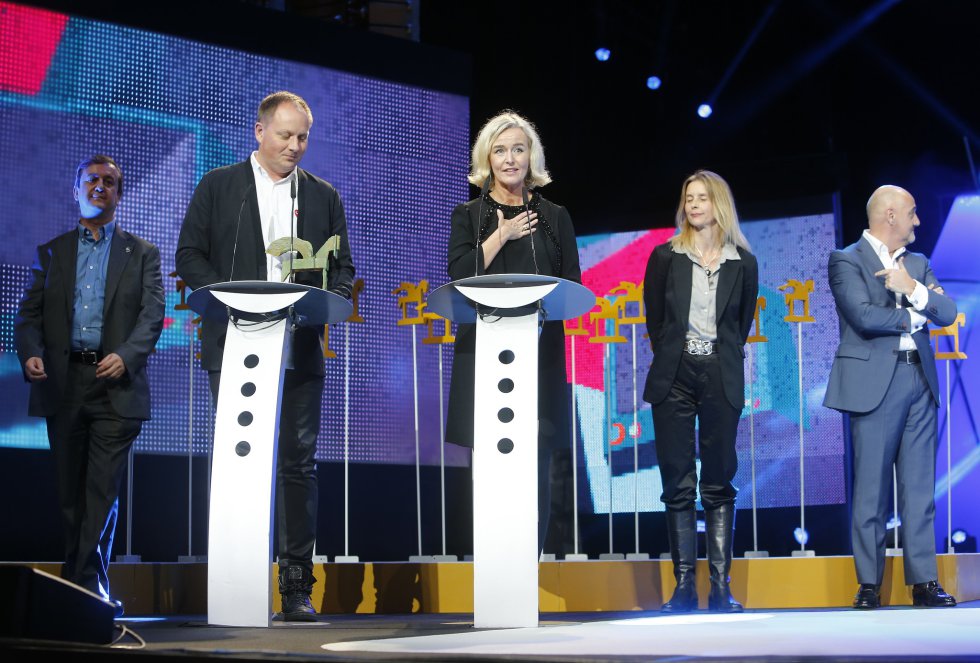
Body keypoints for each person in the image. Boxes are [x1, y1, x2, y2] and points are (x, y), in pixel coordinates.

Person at [175, 91, 355, 621]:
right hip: (235, 345)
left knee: (297, 464)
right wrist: (231, 300)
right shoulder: (219, 186)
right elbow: (189, 255)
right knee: (242, 460)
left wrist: (325, 301)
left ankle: (296, 587)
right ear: (259, 132)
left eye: (302, 137)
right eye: (285, 135)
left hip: (298, 345)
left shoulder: (322, 196)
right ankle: (238, 581)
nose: (294, 146)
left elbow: (343, 270)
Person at [14, 155, 165, 617]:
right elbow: (28, 316)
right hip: (63, 384)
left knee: (101, 491)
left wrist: (127, 355)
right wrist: (31, 352)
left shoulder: (142, 253)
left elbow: (152, 316)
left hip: (115, 384)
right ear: (75, 189)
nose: (100, 186)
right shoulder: (52, 252)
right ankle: (85, 587)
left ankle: (80, 590)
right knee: (70, 495)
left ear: (119, 192)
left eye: (110, 181)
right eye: (92, 180)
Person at [445, 110, 582, 551]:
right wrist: (501, 235)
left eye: (518, 150)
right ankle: (493, 562)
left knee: (535, 463)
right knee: (489, 462)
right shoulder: (469, 215)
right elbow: (459, 275)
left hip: (538, 356)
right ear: (487, 158)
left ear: (531, 157)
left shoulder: (555, 216)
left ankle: (528, 562)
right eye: (500, 150)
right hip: (484, 355)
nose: (509, 159)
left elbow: (572, 285)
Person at [823, 184, 957, 610]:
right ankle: (869, 584)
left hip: (919, 380)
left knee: (919, 489)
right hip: (875, 384)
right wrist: (918, 314)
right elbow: (862, 315)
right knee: (871, 489)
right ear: (891, 215)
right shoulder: (846, 259)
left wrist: (912, 288)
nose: (918, 221)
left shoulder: (917, 263)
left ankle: (924, 582)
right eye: (912, 212)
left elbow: (948, 312)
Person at [642, 170, 758, 613]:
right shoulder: (664, 257)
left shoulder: (742, 262)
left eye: (702, 198)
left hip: (720, 372)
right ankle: (685, 587)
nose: (693, 204)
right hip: (674, 373)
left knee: (719, 477)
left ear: (719, 204)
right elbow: (656, 320)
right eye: (688, 197)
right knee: (677, 480)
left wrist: (713, 355)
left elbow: (739, 326)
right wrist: (677, 354)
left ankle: (721, 588)